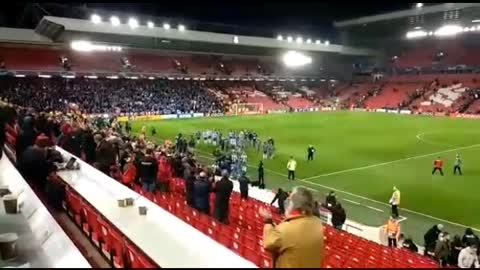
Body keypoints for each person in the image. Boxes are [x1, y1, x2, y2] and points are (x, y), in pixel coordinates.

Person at [259, 187, 324, 268]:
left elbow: (269, 243)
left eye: (289, 199)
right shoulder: (317, 223)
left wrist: (268, 221)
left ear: (293, 204)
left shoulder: (285, 229)